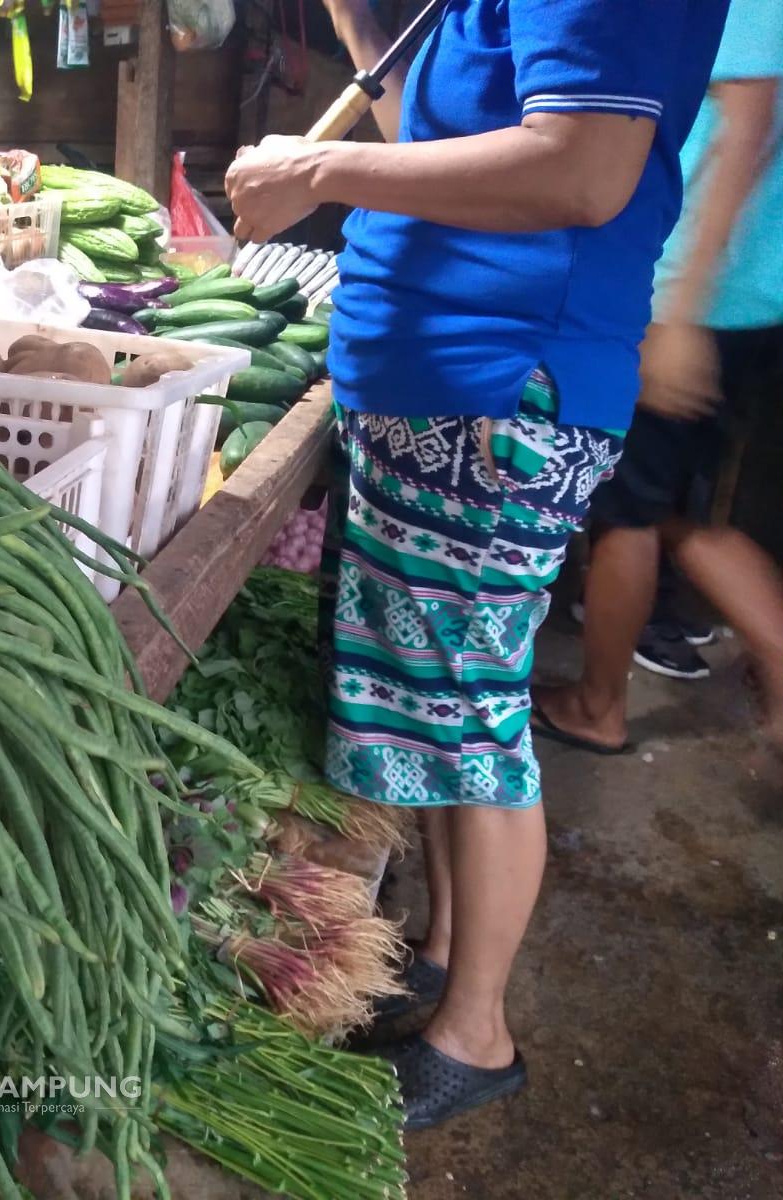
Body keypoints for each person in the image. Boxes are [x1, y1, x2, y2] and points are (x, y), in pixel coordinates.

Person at [224, 0, 730, 1129]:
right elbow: (445, 153)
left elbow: (582, 170)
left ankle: (476, 1037)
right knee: (440, 713)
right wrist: (363, 33)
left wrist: (321, 168)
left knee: (472, 716)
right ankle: (448, 960)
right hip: (442, 390)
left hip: (497, 392)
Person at [535, 0, 783, 755]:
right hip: (742, 294)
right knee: (682, 512)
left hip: (695, 296)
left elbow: (747, 131)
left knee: (628, 511)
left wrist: (678, 310)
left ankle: (597, 705)